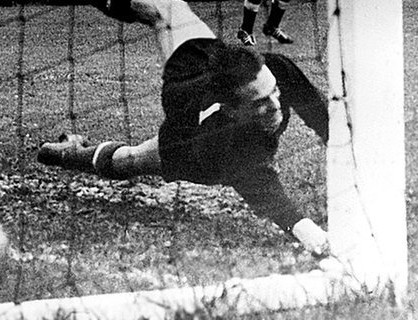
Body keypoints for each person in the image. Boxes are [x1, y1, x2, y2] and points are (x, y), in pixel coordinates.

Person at [37, 0, 329, 255]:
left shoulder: (275, 70)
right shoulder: (222, 146)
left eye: (274, 93)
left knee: (168, 6)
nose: (276, 106)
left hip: (207, 63)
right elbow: (270, 197)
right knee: (128, 160)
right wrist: (318, 241)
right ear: (231, 109)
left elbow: (325, 119)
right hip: (188, 127)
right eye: (259, 104)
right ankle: (70, 153)